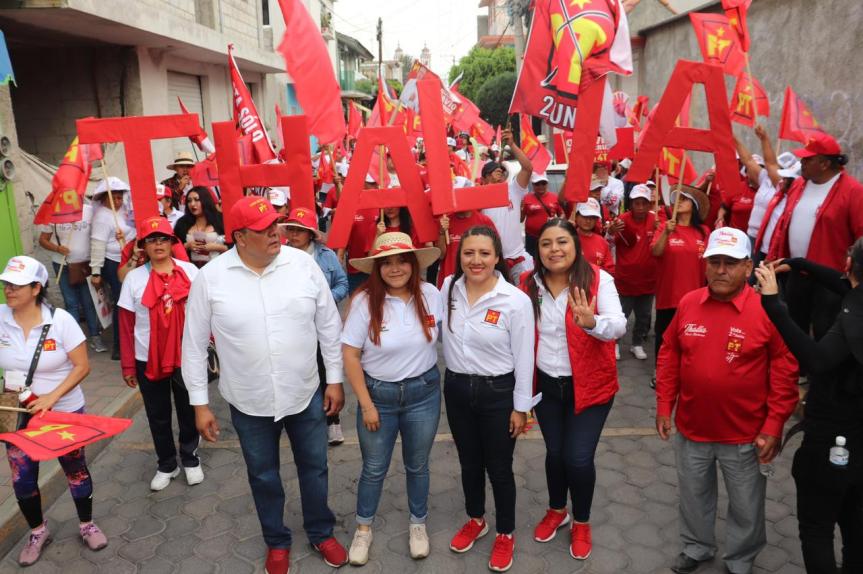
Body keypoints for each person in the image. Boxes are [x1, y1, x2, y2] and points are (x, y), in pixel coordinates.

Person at [182, 196, 348, 574]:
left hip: (304, 392)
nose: (277, 233)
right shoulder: (211, 278)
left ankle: (321, 532)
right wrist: (199, 404)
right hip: (248, 400)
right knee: (263, 474)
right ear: (240, 237)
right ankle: (276, 540)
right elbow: (192, 344)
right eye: (265, 229)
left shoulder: (303, 265)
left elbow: (328, 327)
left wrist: (334, 380)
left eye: (277, 225)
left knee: (315, 466)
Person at [655, 227, 799, 574]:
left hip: (746, 435)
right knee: (693, 497)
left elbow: (785, 369)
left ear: (748, 267)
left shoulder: (768, 310)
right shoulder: (689, 302)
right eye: (714, 262)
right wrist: (664, 404)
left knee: (746, 505)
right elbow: (669, 352)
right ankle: (697, 546)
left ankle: (740, 560)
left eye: (730, 263)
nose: (721, 270)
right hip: (692, 428)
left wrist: (775, 423)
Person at [520, 219, 626, 561]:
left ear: (575, 246)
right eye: (546, 243)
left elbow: (619, 325)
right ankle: (556, 510)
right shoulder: (527, 283)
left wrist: (593, 323)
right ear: (538, 250)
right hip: (547, 386)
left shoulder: (598, 279)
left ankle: (581, 520)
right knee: (554, 454)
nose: (554, 250)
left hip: (591, 386)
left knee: (577, 458)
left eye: (562, 242)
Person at [756, 241, 863, 574]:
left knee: (817, 530)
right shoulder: (854, 292)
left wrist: (774, 304)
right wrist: (799, 263)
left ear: (848, 262)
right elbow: (841, 281)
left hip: (834, 440)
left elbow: (817, 358)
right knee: (857, 530)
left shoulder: (854, 317)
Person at [341, 232, 443, 565]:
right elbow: (350, 355)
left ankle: (418, 523)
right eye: (387, 263)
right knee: (373, 468)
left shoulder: (430, 294)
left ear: (414, 264)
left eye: (402, 261)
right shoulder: (364, 300)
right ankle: (363, 529)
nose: (396, 268)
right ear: (377, 268)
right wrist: (367, 405)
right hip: (379, 398)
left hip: (423, 395)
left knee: (418, 465)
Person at [0, 256, 107, 566]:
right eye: (6, 284)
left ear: (36, 288)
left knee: (75, 470)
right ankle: (37, 532)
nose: (9, 290)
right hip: (17, 414)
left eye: (16, 285)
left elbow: (82, 366)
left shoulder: (60, 321)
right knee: (22, 478)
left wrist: (51, 397)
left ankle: (86, 525)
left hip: (63, 411)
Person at [440, 226, 534, 573]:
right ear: (459, 256)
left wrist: (521, 407)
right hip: (457, 389)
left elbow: (525, 356)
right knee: (468, 462)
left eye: (484, 253)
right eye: (468, 253)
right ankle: (476, 519)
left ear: (497, 257)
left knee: (499, 468)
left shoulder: (515, 300)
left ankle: (505, 532)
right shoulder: (448, 289)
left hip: (498, 393)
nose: (475, 260)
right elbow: (431, 330)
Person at [117, 217, 202, 491]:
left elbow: (206, 315)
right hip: (147, 358)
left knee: (189, 410)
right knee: (158, 414)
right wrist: (128, 366)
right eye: (152, 240)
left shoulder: (191, 272)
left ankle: (190, 458)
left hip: (185, 356)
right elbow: (126, 325)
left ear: (172, 242)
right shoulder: (134, 278)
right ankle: (167, 463)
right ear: (144, 246)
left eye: (163, 239)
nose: (158, 244)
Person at [767, 134, 863, 340]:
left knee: (824, 330)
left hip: (830, 278)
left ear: (825, 163)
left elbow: (860, 236)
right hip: (795, 272)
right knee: (792, 329)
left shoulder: (853, 191)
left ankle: (821, 372)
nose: (801, 162)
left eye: (808, 159)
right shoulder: (799, 185)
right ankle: (794, 370)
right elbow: (784, 224)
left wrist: (855, 274)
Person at [282, 207, 349, 446]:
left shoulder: (327, 256)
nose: (294, 234)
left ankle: (333, 422)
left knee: (325, 371)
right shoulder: (279, 256)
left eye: (300, 230)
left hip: (321, 327)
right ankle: (295, 419)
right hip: (292, 327)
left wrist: (325, 300)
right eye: (291, 229)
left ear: (311, 234)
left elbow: (342, 283)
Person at [649, 184, 710, 386]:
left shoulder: (704, 232)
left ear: (693, 206)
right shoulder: (664, 227)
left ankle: (687, 372)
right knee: (665, 337)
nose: (680, 201)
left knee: (691, 337)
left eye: (684, 198)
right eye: (678, 198)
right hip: (669, 294)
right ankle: (661, 373)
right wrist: (666, 232)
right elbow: (656, 252)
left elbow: (709, 263)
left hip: (695, 296)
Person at [37, 201, 105, 353]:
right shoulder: (53, 213)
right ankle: (74, 343)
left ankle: (95, 337)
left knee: (89, 302)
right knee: (71, 303)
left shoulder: (90, 210)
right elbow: (42, 240)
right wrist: (57, 248)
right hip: (62, 264)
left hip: (86, 264)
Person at [89, 177, 136, 360]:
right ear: (104, 198)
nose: (117, 201)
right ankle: (120, 346)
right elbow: (97, 244)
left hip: (130, 258)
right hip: (113, 262)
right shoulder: (102, 216)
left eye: (119, 197)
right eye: (113, 197)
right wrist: (96, 271)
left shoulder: (125, 210)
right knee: (121, 302)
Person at [611, 184, 659, 360]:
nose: (640, 207)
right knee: (622, 315)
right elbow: (611, 240)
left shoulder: (655, 220)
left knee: (644, 316)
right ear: (631, 204)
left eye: (644, 203)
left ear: (649, 204)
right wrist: (610, 232)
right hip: (626, 280)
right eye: (636, 203)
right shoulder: (621, 221)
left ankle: (636, 344)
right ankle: (614, 344)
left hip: (648, 280)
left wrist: (661, 229)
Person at [481, 128, 534, 283]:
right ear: (484, 178)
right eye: (493, 171)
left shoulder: (513, 189)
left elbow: (528, 168)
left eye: (501, 170)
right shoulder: (479, 197)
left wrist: (512, 144)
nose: (499, 172)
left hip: (517, 259)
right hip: (493, 262)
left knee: (525, 298)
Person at [173, 187, 228, 267]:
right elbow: (173, 247)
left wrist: (219, 247)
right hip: (191, 270)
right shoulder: (182, 223)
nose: (192, 204)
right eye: (189, 201)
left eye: (196, 200)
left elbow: (236, 247)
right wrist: (187, 246)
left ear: (206, 201)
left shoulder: (221, 220)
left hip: (220, 268)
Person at [521, 172, 564, 261]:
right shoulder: (526, 198)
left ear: (547, 184)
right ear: (532, 184)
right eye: (537, 184)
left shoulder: (555, 197)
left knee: (548, 259)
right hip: (531, 237)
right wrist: (520, 208)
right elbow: (521, 219)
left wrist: (556, 220)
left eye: (543, 183)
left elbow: (562, 214)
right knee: (532, 261)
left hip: (549, 236)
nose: (541, 186)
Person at [572, 198, 614, 275]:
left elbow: (609, 269)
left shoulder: (602, 242)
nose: (588, 221)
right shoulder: (568, 238)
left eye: (592, 217)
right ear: (576, 216)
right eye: (585, 216)